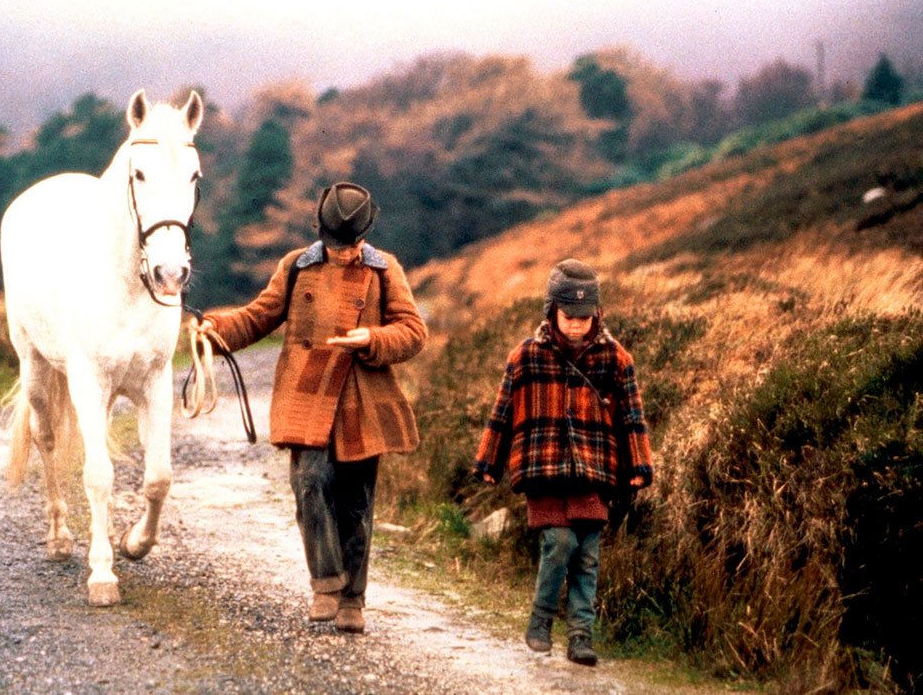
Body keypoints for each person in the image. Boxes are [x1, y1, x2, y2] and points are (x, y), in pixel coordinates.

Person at [194, 182, 427, 633]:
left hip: (362, 398)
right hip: (306, 395)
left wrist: (373, 339)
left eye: (350, 245)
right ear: (320, 232)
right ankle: (325, 583)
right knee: (310, 484)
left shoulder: (385, 271)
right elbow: (258, 316)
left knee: (357, 502)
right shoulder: (295, 267)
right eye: (335, 244)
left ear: (365, 236)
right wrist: (214, 330)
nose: (342, 253)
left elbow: (414, 331)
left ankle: (353, 601)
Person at [473, 259, 653, 664]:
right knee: (559, 542)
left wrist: (639, 466)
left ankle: (580, 636)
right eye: (568, 316)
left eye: (584, 318)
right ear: (551, 311)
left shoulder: (616, 359)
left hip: (595, 469)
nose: (576, 324)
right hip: (543, 466)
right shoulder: (525, 356)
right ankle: (540, 621)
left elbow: (632, 418)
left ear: (597, 314)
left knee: (588, 553)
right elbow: (502, 411)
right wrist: (489, 461)